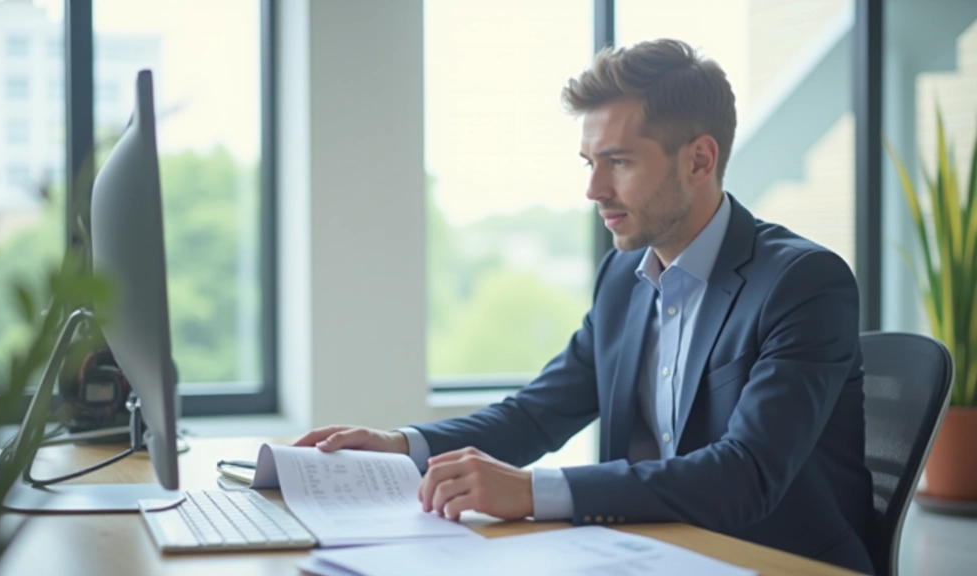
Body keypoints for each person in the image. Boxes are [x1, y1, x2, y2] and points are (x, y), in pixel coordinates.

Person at [294, 38, 875, 574]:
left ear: (699, 160)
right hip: (655, 555)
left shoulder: (802, 283)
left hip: (777, 563)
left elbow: (745, 475)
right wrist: (401, 447)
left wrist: (532, 491)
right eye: (589, 162)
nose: (594, 189)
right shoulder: (624, 277)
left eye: (618, 161)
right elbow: (536, 415)